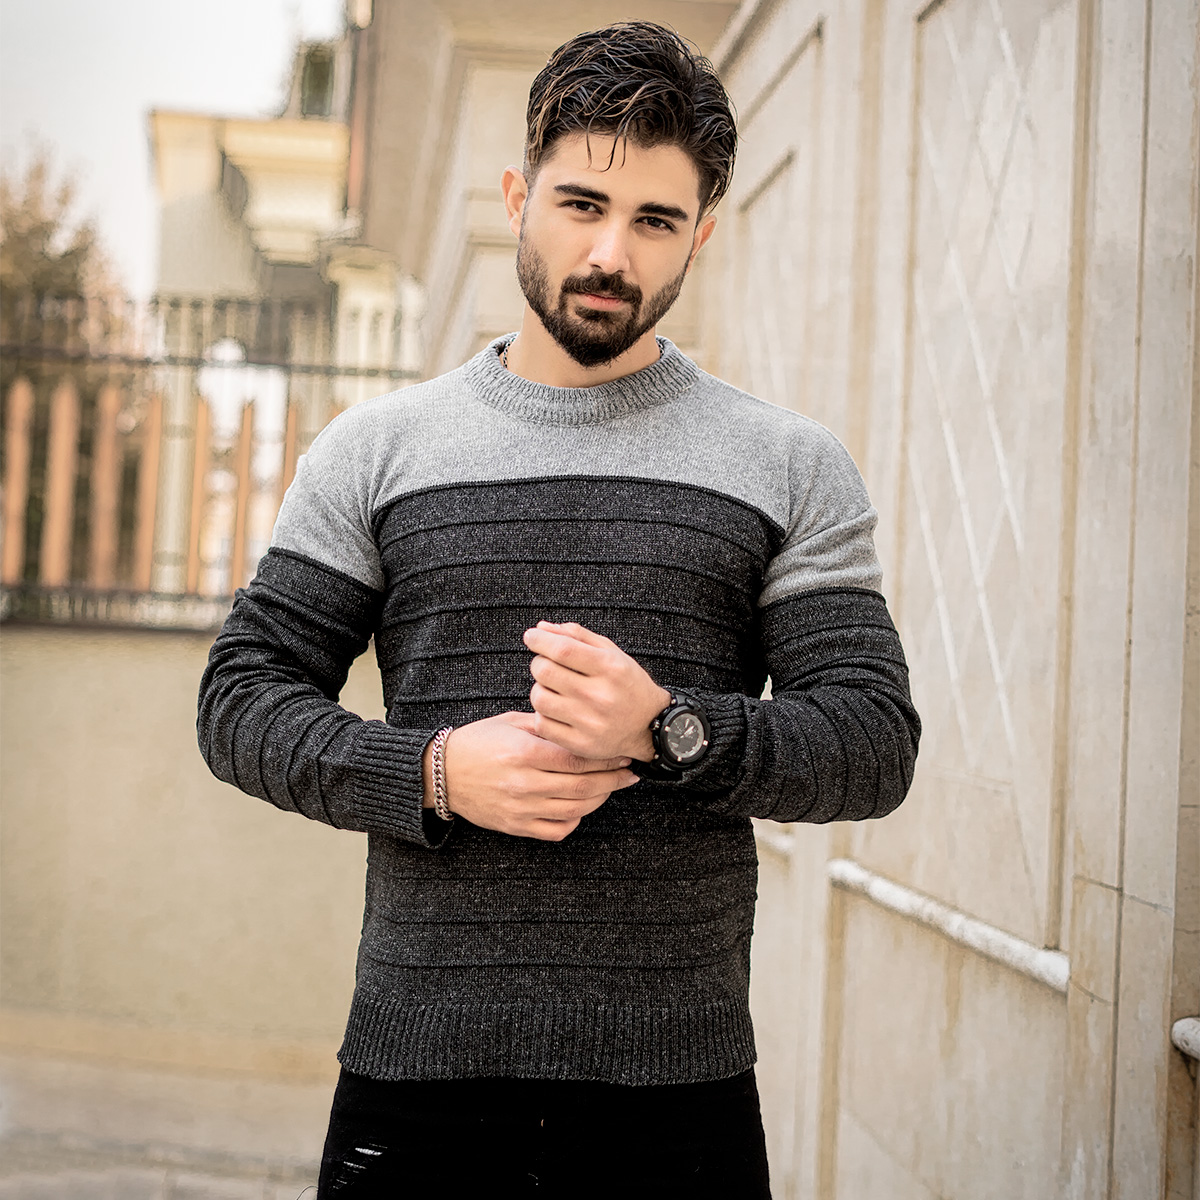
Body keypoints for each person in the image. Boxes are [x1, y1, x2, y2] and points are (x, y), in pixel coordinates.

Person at [197, 20, 919, 1199]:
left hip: (676, 1099)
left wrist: (667, 730)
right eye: (581, 204)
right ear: (517, 198)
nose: (610, 254)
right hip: (415, 1082)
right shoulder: (377, 453)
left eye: (655, 220)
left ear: (704, 234)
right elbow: (240, 699)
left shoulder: (789, 467)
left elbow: (872, 743)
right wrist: (433, 775)